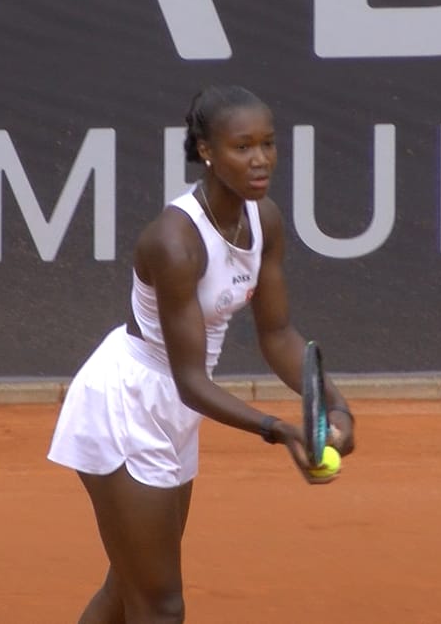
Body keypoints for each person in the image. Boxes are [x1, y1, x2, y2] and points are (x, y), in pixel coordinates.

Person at [47, 85, 356, 624]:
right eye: (242, 147)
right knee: (161, 605)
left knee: (129, 585)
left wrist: (335, 407)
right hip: (127, 403)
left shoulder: (266, 220)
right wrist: (281, 429)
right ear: (207, 151)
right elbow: (189, 378)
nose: (260, 159)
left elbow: (278, 333)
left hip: (179, 408)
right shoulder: (174, 241)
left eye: (268, 144)